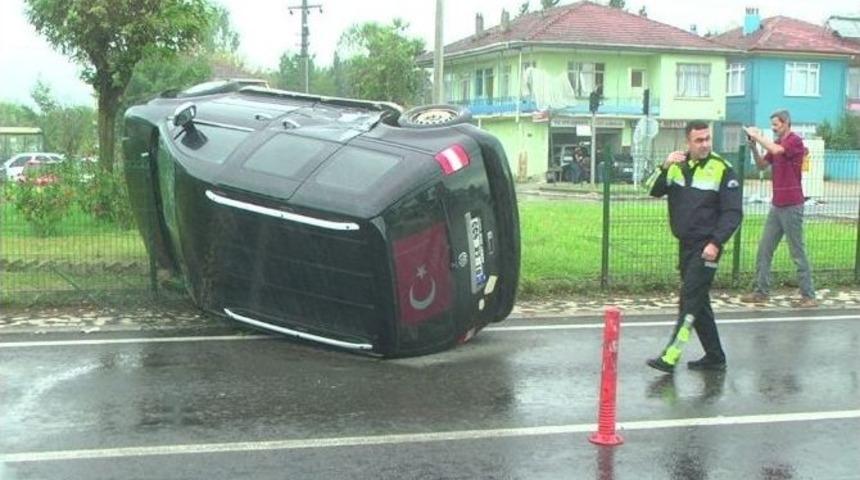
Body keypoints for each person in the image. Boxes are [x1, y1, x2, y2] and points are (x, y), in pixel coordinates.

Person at [644, 121, 743, 373]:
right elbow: (651, 190)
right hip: (686, 246)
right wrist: (664, 167)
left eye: (707, 139)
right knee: (699, 302)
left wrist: (716, 243)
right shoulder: (677, 166)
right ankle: (715, 356)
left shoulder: (722, 169)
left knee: (689, 300)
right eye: (699, 140)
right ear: (687, 142)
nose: (705, 144)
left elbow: (732, 214)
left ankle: (670, 356)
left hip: (707, 247)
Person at [742, 110, 816, 307]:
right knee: (764, 249)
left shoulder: (794, 141)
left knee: (797, 253)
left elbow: (777, 151)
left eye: (776, 125)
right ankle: (761, 292)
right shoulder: (777, 144)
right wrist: (753, 146)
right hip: (777, 205)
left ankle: (809, 296)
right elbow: (761, 166)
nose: (774, 128)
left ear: (786, 123)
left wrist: (759, 135)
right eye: (773, 125)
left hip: (792, 205)